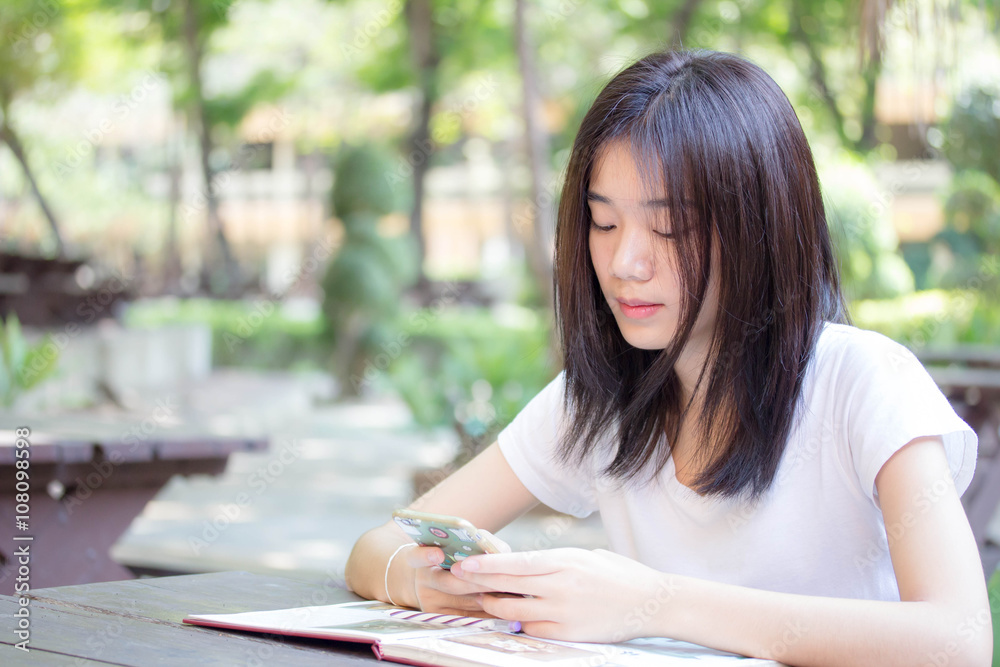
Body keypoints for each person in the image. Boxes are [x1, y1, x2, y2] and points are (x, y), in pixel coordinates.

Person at [344, 49, 992, 665]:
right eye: (604, 224)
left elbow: (959, 639)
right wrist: (424, 582)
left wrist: (654, 602)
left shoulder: (863, 382)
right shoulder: (599, 399)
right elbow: (378, 546)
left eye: (669, 227)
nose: (625, 262)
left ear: (760, 228)